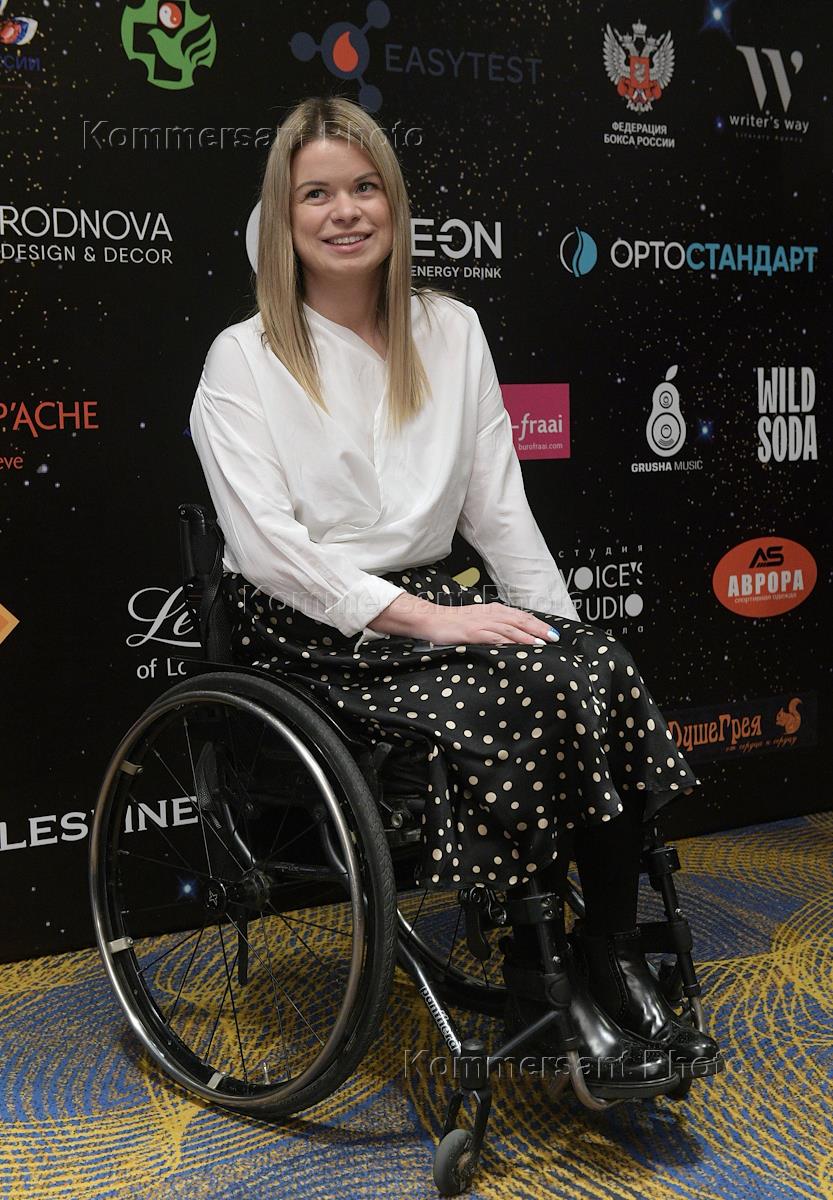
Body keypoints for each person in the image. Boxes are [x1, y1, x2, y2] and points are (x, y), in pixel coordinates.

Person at [189, 95, 722, 1091]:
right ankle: (539, 977)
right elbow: (267, 550)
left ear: (393, 204)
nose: (345, 211)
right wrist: (428, 619)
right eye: (316, 194)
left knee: (593, 668)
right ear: (283, 215)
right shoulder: (244, 357)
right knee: (515, 698)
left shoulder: (451, 328)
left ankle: (607, 951)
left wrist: (562, 632)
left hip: (435, 600)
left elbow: (497, 509)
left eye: (364, 188)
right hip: (313, 624)